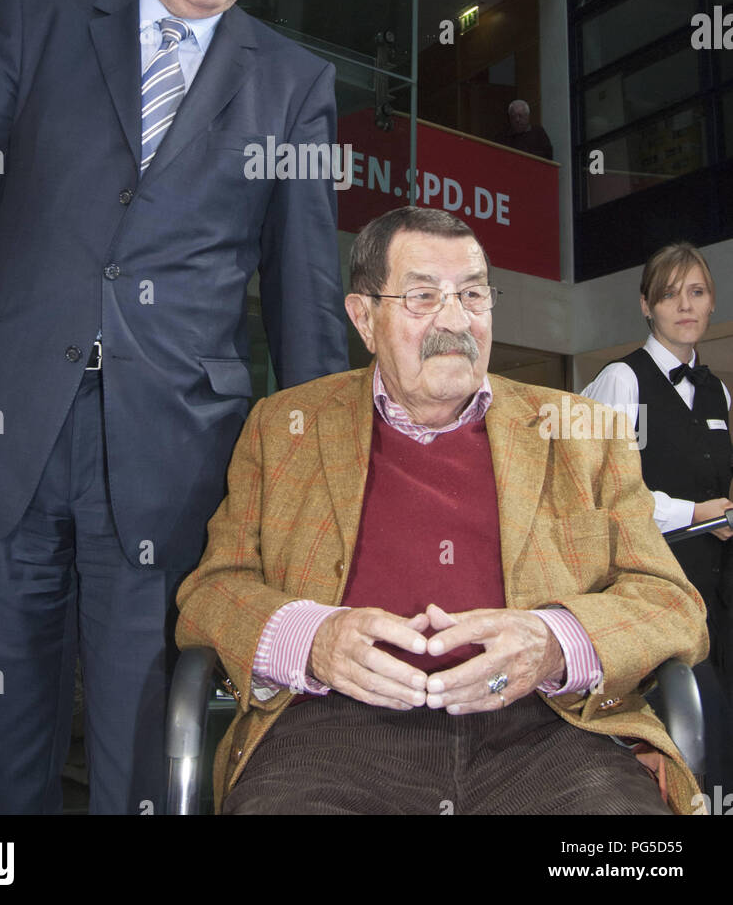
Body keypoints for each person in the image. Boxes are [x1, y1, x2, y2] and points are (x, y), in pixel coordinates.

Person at [0, 0, 349, 815]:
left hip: (180, 467)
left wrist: (318, 484)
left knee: (152, 757)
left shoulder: (295, 86)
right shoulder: (34, 24)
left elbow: (306, 298)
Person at [176, 207, 707, 816]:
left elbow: (670, 603)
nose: (454, 320)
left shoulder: (584, 432)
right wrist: (315, 639)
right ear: (364, 318)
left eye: (473, 294)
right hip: (332, 739)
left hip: (551, 737)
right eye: (422, 297)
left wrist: (554, 642)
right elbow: (214, 591)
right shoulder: (283, 428)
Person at [582, 242, 733, 792]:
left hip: (716, 590)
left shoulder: (718, 391)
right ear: (646, 305)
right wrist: (692, 511)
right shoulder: (623, 381)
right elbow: (604, 491)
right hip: (652, 592)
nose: (685, 306)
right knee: (682, 734)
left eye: (696, 293)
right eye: (670, 294)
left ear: (712, 302)